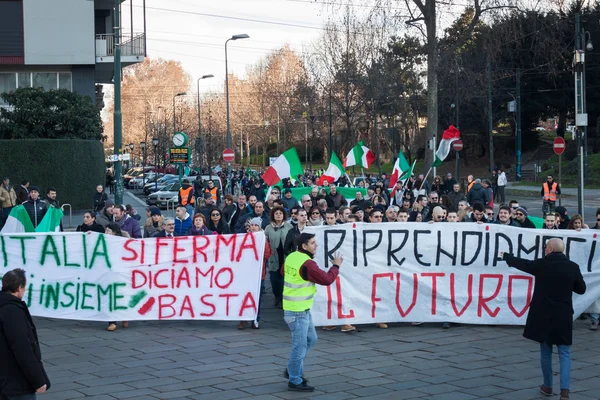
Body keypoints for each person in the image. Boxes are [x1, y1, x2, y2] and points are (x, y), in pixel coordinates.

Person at [501, 239, 586, 400]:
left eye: (546, 248)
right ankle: (565, 391)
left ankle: (547, 386)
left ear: (551, 249)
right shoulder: (573, 267)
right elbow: (581, 289)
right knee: (565, 352)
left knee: (546, 352)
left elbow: (524, 264)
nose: (545, 250)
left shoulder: (541, 265)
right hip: (563, 315)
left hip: (543, 315)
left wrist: (507, 257)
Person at [283, 233, 343, 392]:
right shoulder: (308, 264)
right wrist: (336, 266)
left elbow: (283, 272)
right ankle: (294, 380)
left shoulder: (292, 256)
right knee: (300, 346)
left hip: (299, 309)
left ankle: (291, 369)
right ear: (304, 246)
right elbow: (327, 279)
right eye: (312, 243)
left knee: (311, 339)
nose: (316, 246)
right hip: (297, 312)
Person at [0, 269, 51, 399]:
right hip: (15, 384)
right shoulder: (12, 311)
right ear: (19, 288)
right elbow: (22, 348)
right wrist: (38, 379)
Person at [238, 218, 272, 330]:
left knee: (256, 298)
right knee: (244, 297)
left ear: (259, 227)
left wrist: (263, 243)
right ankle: (243, 320)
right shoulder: (244, 238)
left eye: (255, 225)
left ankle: (255, 319)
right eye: (251, 225)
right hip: (246, 274)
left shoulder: (263, 239)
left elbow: (267, 255)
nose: (253, 227)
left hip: (259, 274)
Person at [265, 207, 293, 309]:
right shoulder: (268, 228)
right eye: (276, 213)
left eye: (280, 213)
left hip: (286, 257)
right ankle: (276, 296)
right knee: (274, 280)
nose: (278, 215)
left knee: (283, 281)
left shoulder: (289, 227)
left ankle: (282, 299)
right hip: (273, 257)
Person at [104, 223, 130, 331]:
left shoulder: (124, 241)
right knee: (110, 296)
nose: (105, 233)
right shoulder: (102, 241)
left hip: (121, 273)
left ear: (114, 232)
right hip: (108, 274)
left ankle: (124, 316)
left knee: (122, 296)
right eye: (105, 231)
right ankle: (112, 321)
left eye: (108, 231)